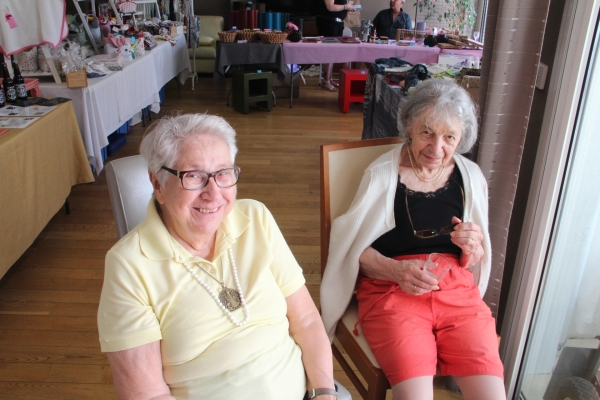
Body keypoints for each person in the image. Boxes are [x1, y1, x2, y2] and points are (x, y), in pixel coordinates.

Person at [98, 114, 337, 400]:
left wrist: (324, 392)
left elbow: (307, 321)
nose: (214, 194)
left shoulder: (255, 218)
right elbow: (147, 394)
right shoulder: (128, 265)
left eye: (223, 173)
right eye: (194, 176)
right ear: (158, 185)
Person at [320, 79, 506, 400]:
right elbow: (349, 249)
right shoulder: (382, 175)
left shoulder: (471, 176)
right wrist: (395, 271)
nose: (437, 149)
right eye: (427, 133)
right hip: (392, 293)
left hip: (457, 296)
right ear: (409, 126)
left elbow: (474, 262)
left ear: (462, 139)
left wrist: (471, 246)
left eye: (449, 137)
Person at [315, 0, 357, 91]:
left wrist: (349, 7)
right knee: (328, 52)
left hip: (337, 23)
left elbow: (339, 6)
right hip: (328, 23)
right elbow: (330, 7)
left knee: (332, 52)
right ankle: (326, 81)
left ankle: (329, 79)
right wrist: (346, 6)